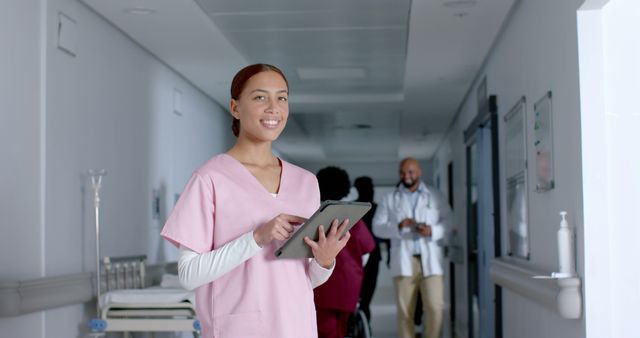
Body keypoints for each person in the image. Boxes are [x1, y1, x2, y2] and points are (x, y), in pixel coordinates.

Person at [160, 64, 351, 338]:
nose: (274, 107)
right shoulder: (211, 178)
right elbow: (189, 275)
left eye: (282, 98)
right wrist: (257, 238)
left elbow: (303, 279)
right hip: (238, 329)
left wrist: (324, 261)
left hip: (297, 327)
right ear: (235, 108)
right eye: (260, 97)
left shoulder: (306, 182)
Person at [372, 157, 451, 338]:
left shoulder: (435, 195)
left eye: (410, 172)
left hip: (430, 261)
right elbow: (377, 227)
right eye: (402, 172)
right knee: (405, 312)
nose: (406, 176)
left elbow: (450, 220)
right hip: (404, 261)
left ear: (419, 172)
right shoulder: (390, 198)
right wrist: (399, 226)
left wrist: (432, 230)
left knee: (435, 308)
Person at [313, 167, 375, 338]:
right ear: (345, 188)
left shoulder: (313, 216)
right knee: (342, 330)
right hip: (349, 285)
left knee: (325, 331)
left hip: (323, 288)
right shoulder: (353, 217)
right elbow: (366, 252)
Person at [353, 176, 384, 322]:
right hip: (356, 257)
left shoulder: (377, 208)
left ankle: (364, 327)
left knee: (367, 298)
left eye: (371, 188)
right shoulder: (353, 208)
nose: (371, 191)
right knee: (356, 296)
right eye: (367, 188)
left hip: (373, 257)